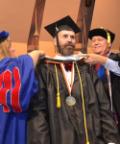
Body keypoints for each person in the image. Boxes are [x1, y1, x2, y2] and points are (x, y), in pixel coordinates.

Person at [28, 16, 120, 144]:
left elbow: (103, 105)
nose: (70, 40)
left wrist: (111, 140)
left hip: (91, 136)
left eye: (72, 37)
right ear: (55, 41)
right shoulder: (44, 69)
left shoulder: (86, 68)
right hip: (60, 137)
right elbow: (39, 112)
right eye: (65, 36)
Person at [0, 30, 44, 144]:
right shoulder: (14, 67)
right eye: (11, 46)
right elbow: (34, 55)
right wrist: (38, 52)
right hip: (13, 123)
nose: (14, 49)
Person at [85, 27, 120, 132]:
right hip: (96, 114)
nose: (95, 43)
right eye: (93, 41)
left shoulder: (116, 58)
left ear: (109, 43)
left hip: (115, 112)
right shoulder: (89, 65)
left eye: (100, 40)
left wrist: (101, 60)